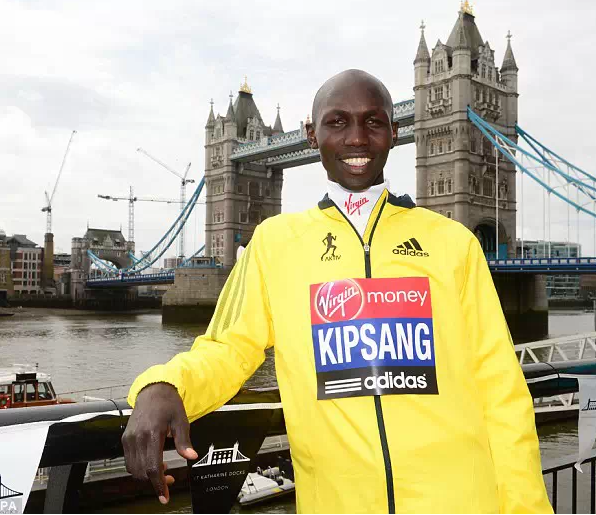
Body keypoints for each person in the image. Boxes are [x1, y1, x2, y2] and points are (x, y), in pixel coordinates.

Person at [122, 69, 552, 513]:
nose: (357, 138)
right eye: (337, 122)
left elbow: (501, 390)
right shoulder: (274, 244)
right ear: (311, 134)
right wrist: (164, 385)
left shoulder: (453, 243)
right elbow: (227, 349)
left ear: (395, 132)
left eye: (373, 122)